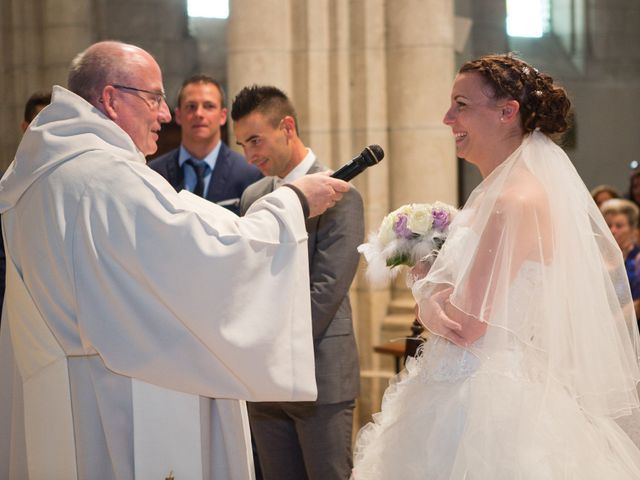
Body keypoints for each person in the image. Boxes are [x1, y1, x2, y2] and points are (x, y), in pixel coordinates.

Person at [0, 41, 350, 480]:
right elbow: (204, 251)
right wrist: (293, 204)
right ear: (110, 99)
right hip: (125, 395)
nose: (165, 115)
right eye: (154, 98)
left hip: (60, 392)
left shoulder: (34, 178)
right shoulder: (106, 177)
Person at [352, 54, 640, 479]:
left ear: (508, 113)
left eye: (461, 105)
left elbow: (467, 325)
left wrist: (422, 288)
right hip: (468, 382)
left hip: (489, 400)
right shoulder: (494, 192)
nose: (447, 118)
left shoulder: (513, 200)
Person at [232, 85, 364, 480]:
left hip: (319, 371)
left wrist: (265, 343)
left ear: (286, 127)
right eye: (241, 144)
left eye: (255, 139)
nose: (249, 155)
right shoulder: (253, 196)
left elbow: (326, 290)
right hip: (264, 380)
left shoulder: (340, 193)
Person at [148, 74, 261, 215]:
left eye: (209, 106)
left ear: (223, 116)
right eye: (191, 106)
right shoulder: (153, 173)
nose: (199, 113)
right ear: (178, 115)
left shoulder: (250, 173)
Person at [601, 198, 640, 323]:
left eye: (619, 226)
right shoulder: (599, 259)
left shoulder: (637, 258)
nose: (613, 230)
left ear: (632, 229)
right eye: (609, 225)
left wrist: (613, 323)